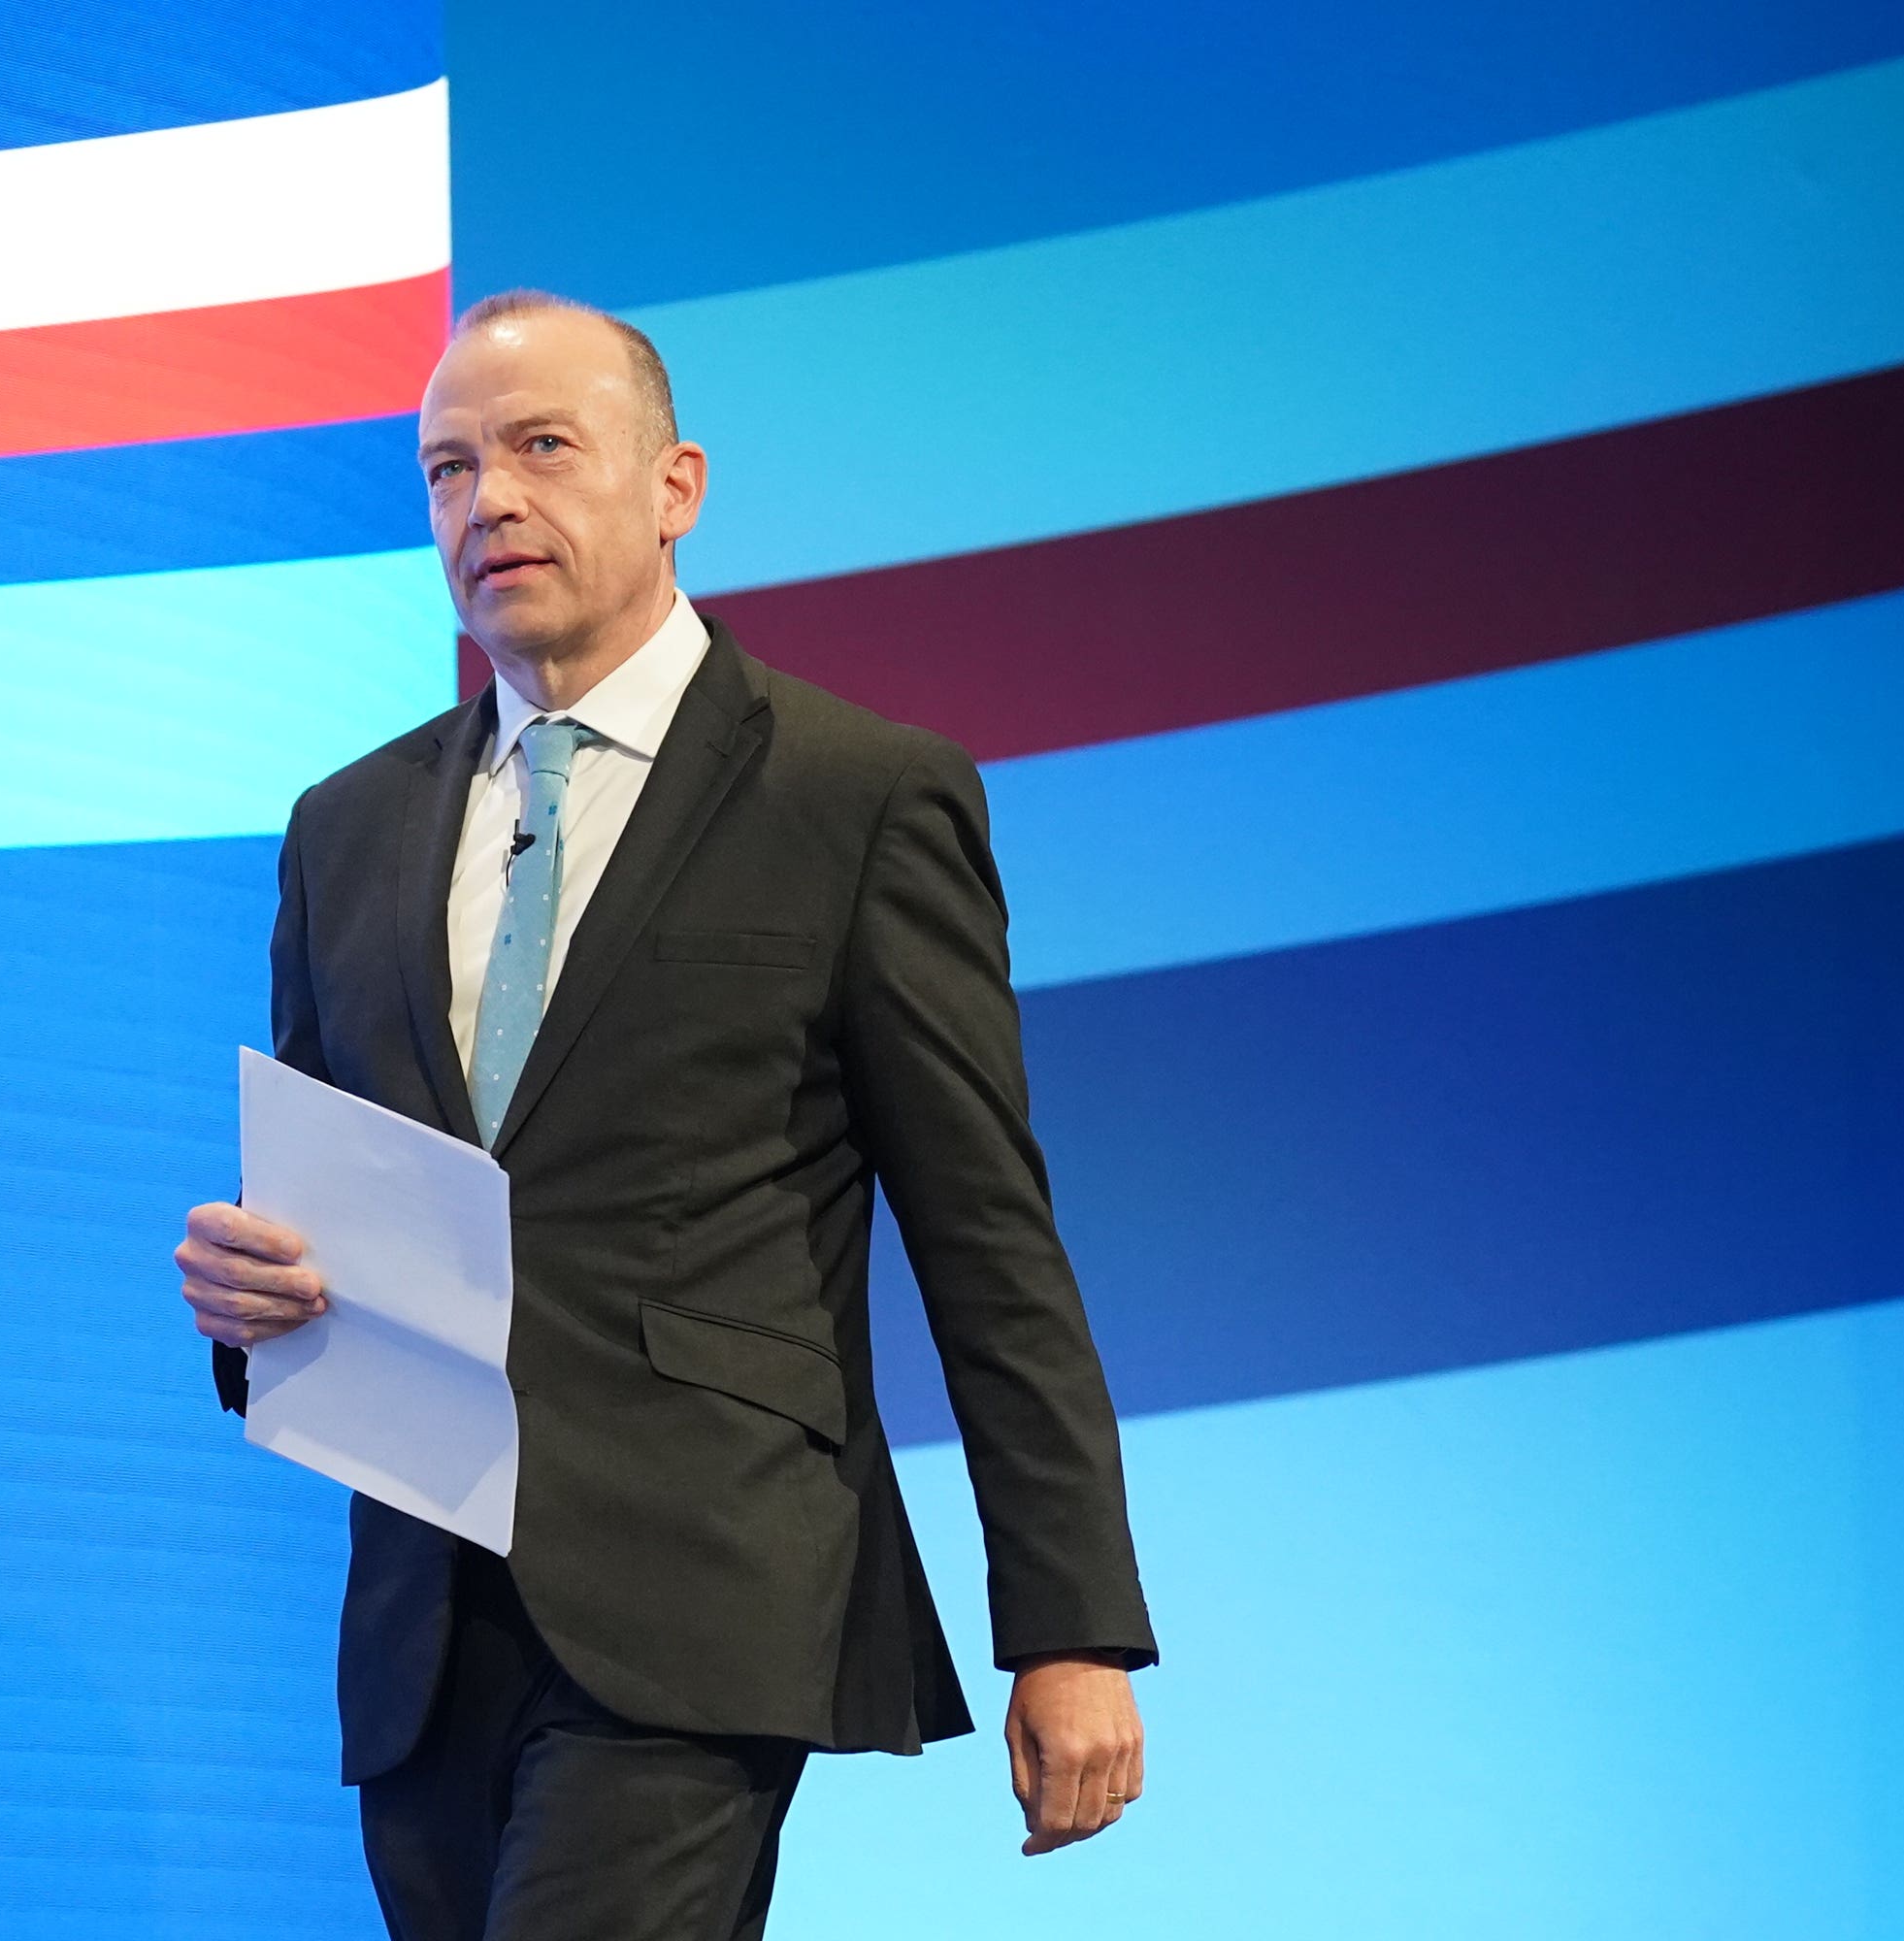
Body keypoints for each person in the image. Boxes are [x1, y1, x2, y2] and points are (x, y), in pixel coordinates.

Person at [175, 290, 1155, 1941]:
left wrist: (1069, 1628)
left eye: (543, 450)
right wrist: (248, 1306)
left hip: (701, 1592)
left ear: (674, 484)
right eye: (447, 470)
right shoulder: (342, 829)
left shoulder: (854, 795)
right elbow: (334, 1198)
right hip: (426, 1622)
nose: (489, 503)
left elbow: (987, 1238)